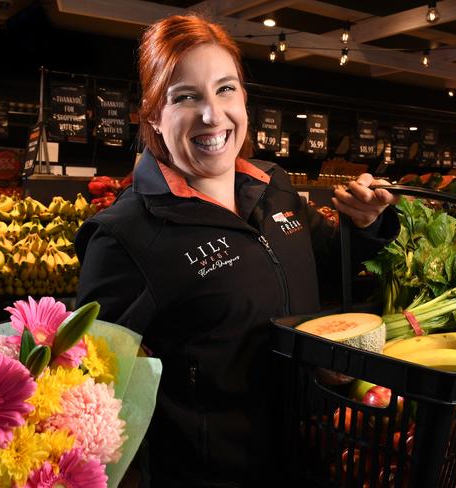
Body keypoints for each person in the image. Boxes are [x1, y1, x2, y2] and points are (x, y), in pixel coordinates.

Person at [75, 14, 399, 488]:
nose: (212, 115)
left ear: (244, 98)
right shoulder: (123, 236)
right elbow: (96, 398)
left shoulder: (276, 189)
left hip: (315, 460)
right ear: (153, 119)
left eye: (225, 89)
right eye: (185, 97)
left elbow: (333, 273)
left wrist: (367, 223)